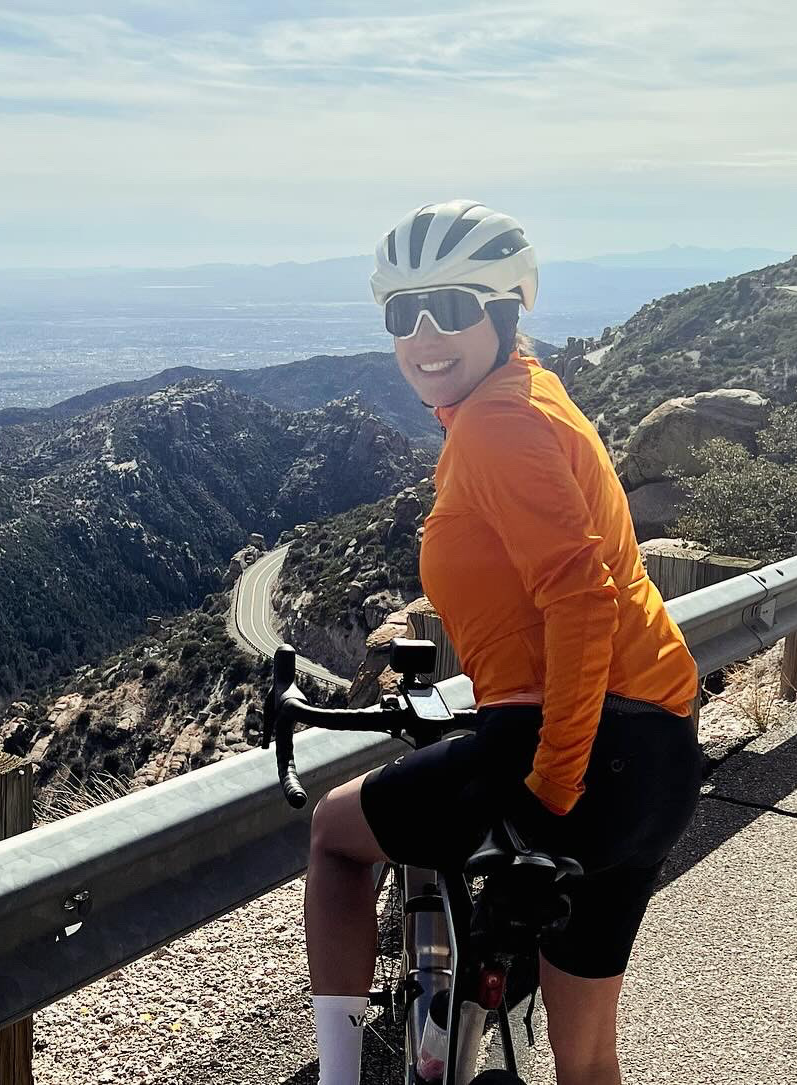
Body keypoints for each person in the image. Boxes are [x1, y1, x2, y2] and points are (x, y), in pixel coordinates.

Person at [305, 200, 702, 1085]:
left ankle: (335, 1079)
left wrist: (552, 787)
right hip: (659, 756)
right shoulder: (533, 392)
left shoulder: (495, 423)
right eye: (401, 312)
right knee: (588, 1054)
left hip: (574, 748)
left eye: (449, 306)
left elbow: (581, 601)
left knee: (336, 835)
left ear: (506, 308)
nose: (422, 333)